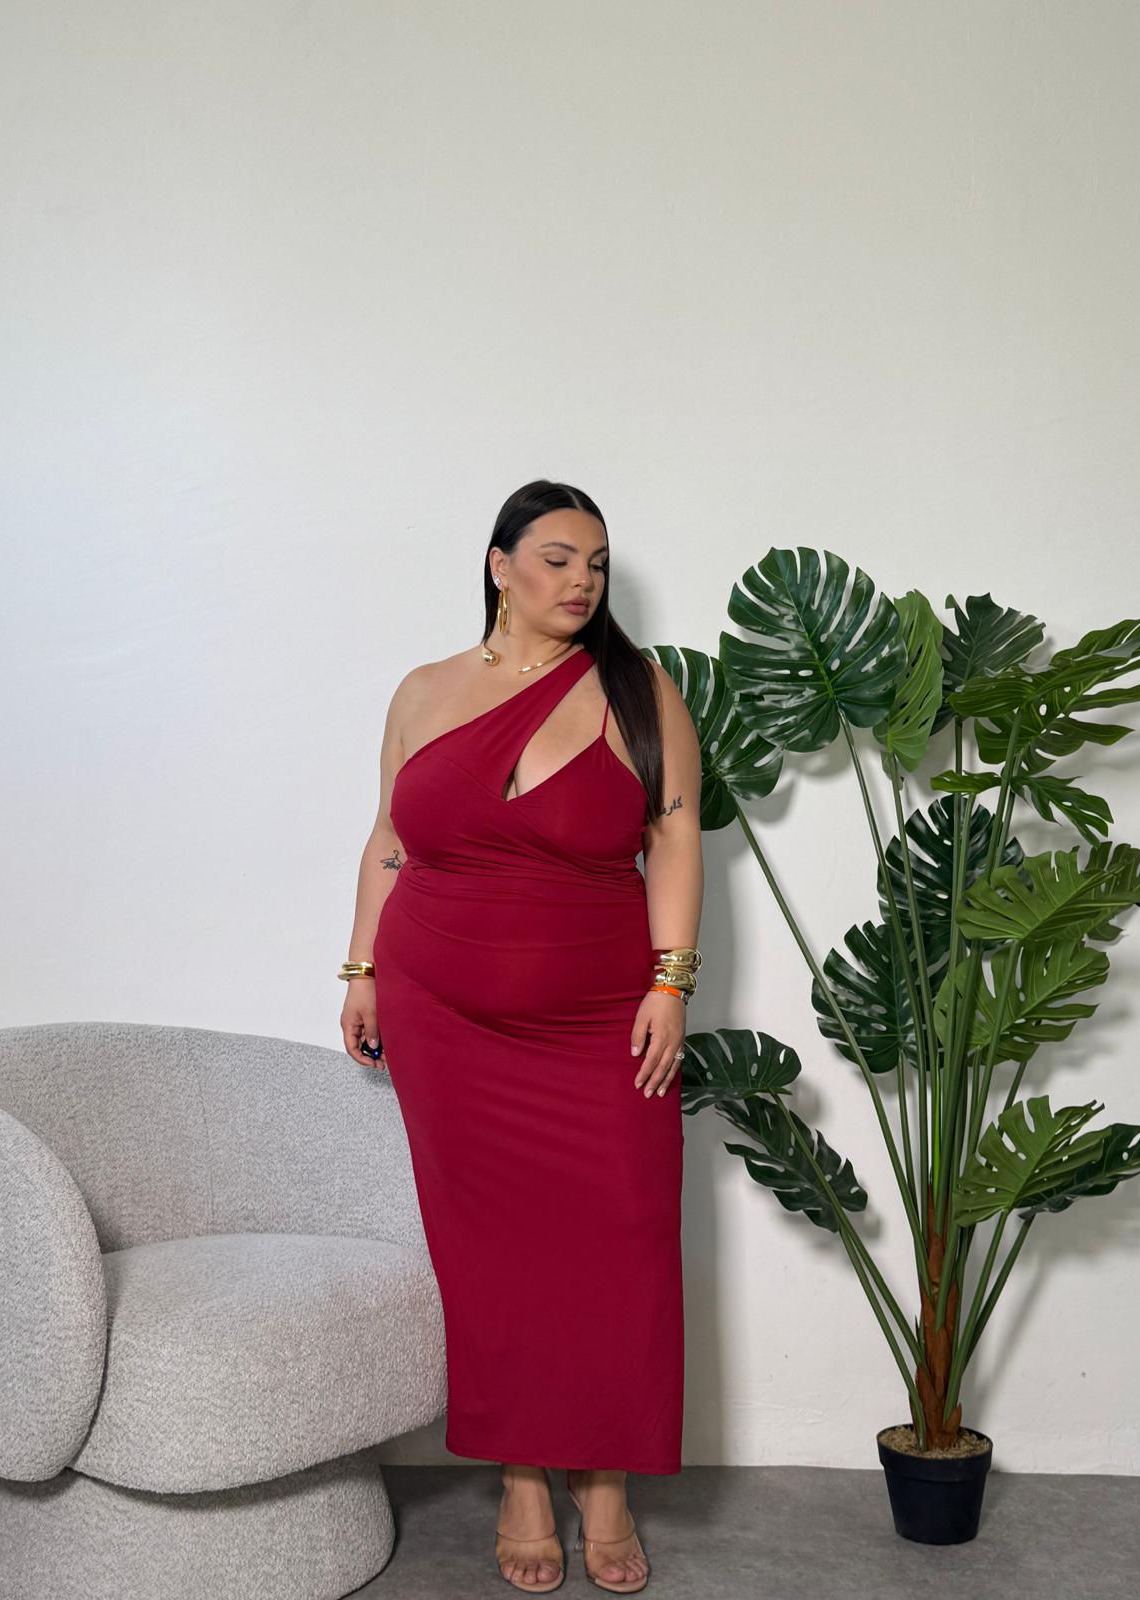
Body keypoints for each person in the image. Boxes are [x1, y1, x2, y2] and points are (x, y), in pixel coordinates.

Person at [339, 479, 704, 1594]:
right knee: (488, 1254)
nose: (581, 580)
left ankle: (608, 1481)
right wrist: (361, 967)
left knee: (624, 1239)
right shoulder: (424, 690)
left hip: (598, 1018)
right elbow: (391, 837)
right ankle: (524, 1479)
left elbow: (675, 835)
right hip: (440, 1013)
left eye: (597, 563)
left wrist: (671, 982)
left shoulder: (638, 690)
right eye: (557, 558)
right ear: (500, 565)